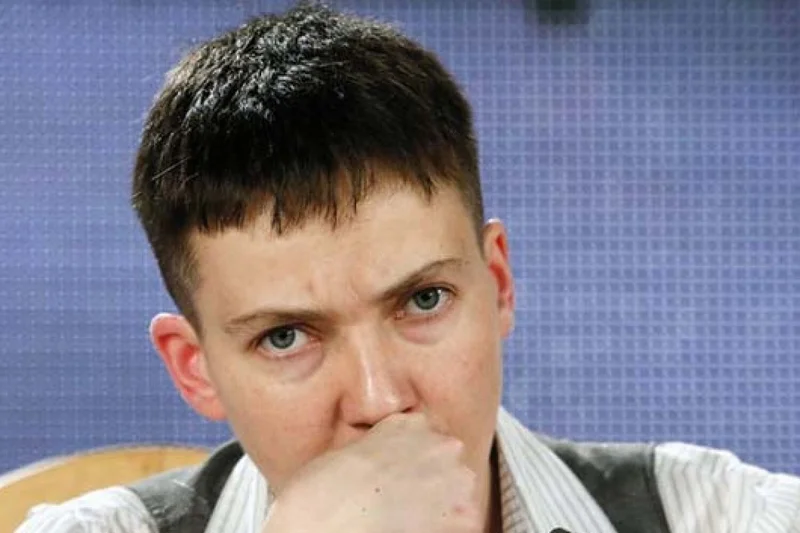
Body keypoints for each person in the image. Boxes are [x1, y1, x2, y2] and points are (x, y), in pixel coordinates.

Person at [15, 4, 800, 533]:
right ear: (196, 369)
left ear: (497, 284)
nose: (380, 399)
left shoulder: (723, 515)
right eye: (286, 336)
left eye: (424, 299)